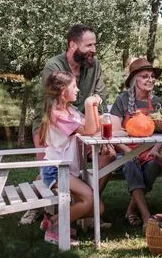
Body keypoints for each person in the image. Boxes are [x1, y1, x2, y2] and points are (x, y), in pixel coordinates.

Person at [22, 24, 115, 226]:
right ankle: (38, 207)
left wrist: (99, 133)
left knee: (108, 154)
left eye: (95, 45)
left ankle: (86, 205)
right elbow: (50, 102)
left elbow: (101, 96)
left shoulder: (94, 65)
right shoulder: (54, 66)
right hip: (51, 123)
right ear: (73, 45)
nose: (94, 50)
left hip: (79, 121)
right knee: (48, 164)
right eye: (89, 45)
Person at [39, 71, 104, 245]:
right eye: (74, 86)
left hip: (66, 169)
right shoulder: (57, 115)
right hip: (55, 170)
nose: (78, 89)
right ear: (62, 90)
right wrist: (89, 104)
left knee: (99, 208)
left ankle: (53, 219)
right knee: (89, 199)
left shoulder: (70, 110)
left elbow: (94, 127)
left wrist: (94, 108)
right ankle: (55, 228)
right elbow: (89, 131)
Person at [109, 58, 162, 227]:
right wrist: (127, 151)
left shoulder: (156, 102)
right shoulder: (123, 100)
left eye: (152, 76)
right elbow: (114, 133)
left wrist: (155, 149)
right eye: (145, 76)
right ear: (135, 80)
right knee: (131, 164)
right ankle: (146, 215)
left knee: (154, 164)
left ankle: (130, 209)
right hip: (125, 150)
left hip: (148, 151)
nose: (151, 79)